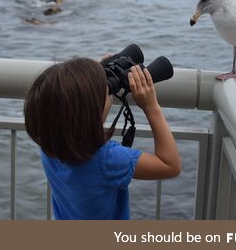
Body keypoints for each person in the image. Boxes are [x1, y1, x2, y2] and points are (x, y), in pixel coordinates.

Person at [24, 57, 181, 220]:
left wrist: (93, 73)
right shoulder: (107, 159)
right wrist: (151, 106)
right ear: (92, 112)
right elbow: (170, 165)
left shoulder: (50, 145)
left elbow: (68, 110)